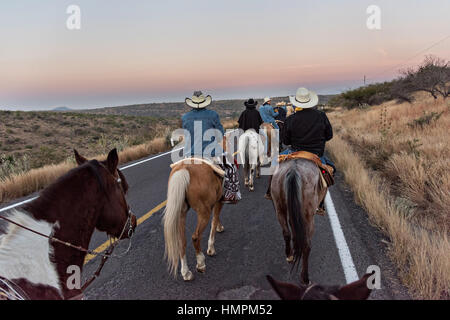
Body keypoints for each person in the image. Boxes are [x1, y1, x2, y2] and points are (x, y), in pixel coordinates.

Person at [265, 87, 335, 200]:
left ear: (296, 103)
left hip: (295, 152)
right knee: (330, 171)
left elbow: (286, 141)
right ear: (310, 101)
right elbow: (329, 136)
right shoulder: (321, 116)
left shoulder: (291, 119)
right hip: (316, 154)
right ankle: (320, 204)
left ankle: (269, 192)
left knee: (274, 163)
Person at [182, 91, 241, 203]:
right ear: (205, 103)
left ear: (192, 103)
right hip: (210, 152)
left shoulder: (185, 117)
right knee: (231, 166)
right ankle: (231, 194)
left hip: (190, 154)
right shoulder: (213, 115)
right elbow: (219, 135)